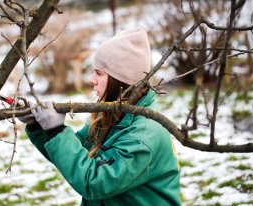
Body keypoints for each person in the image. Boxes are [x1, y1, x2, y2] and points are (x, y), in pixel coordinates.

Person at [18, 27, 181, 206]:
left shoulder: (143, 137)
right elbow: (74, 155)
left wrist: (57, 131)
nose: (91, 79)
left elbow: (94, 182)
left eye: (99, 73)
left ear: (120, 80)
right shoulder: (112, 116)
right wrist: (40, 127)